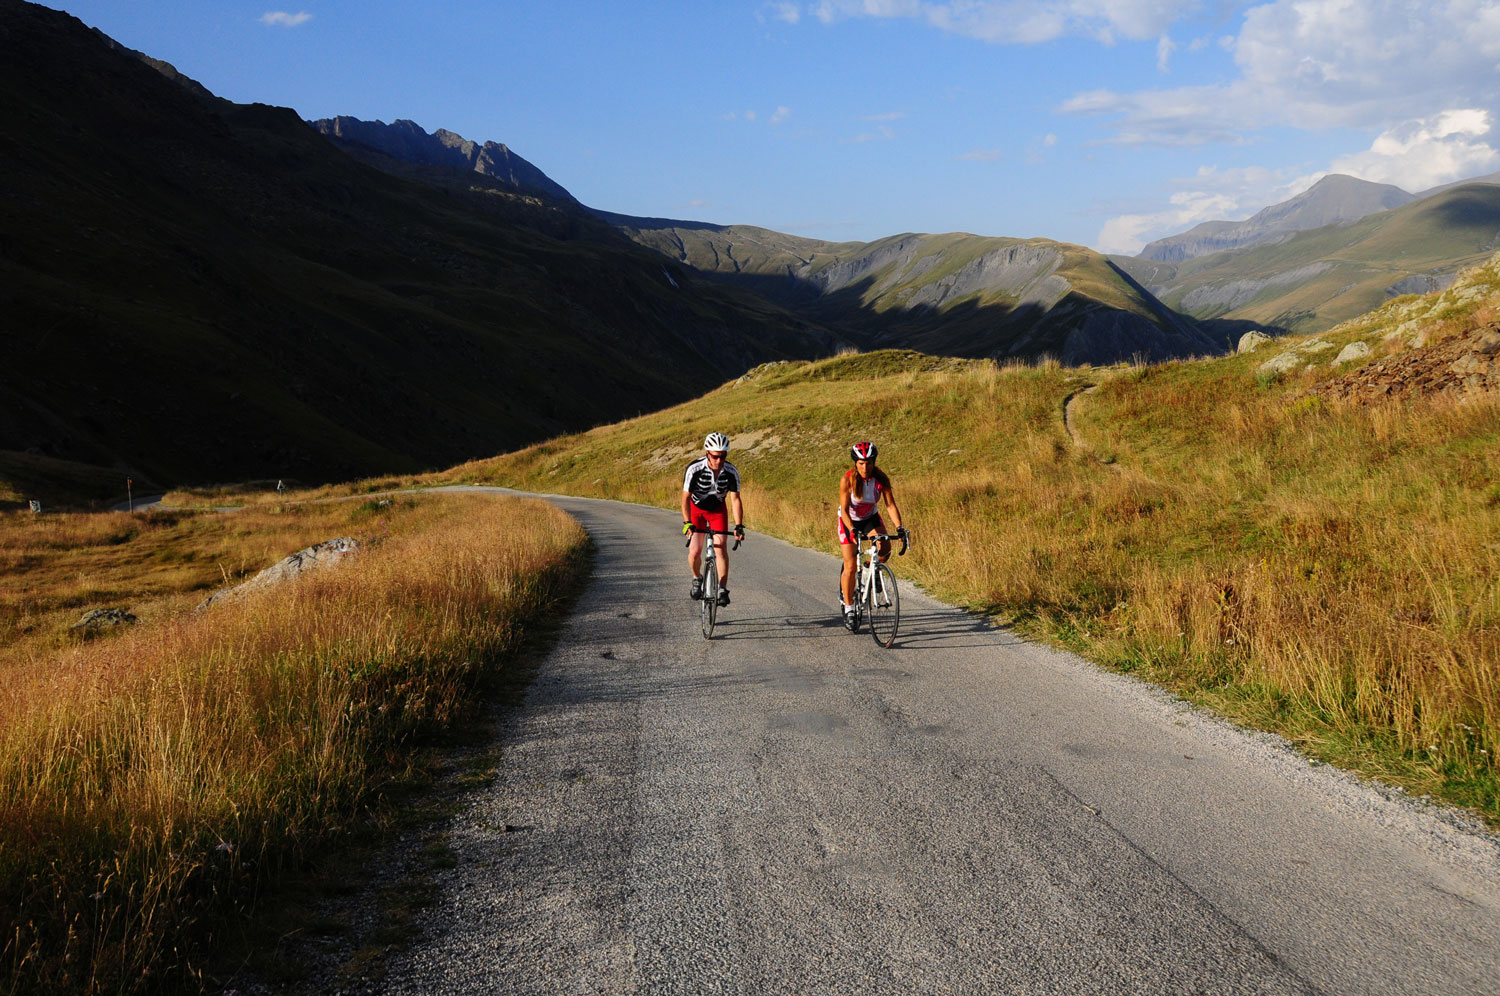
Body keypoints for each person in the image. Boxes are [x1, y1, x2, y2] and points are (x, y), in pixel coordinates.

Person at [838, 440, 906, 629]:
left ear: (874, 462)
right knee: (850, 566)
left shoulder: (881, 479)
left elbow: (890, 505)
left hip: (870, 518)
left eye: (868, 463)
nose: (865, 467)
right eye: (861, 463)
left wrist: (899, 527)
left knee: (884, 548)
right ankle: (850, 607)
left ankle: (870, 569)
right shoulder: (847, 480)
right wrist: (851, 529)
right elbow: (843, 510)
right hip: (849, 521)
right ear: (855, 463)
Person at [682, 432, 745, 606]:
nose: (719, 460)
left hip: (717, 510)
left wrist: (739, 525)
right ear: (707, 453)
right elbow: (685, 498)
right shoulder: (694, 469)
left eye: (723, 456)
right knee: (695, 551)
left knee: (721, 548)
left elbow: (735, 499)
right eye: (716, 456)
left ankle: (722, 589)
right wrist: (687, 523)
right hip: (696, 511)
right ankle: (697, 578)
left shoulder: (731, 472)